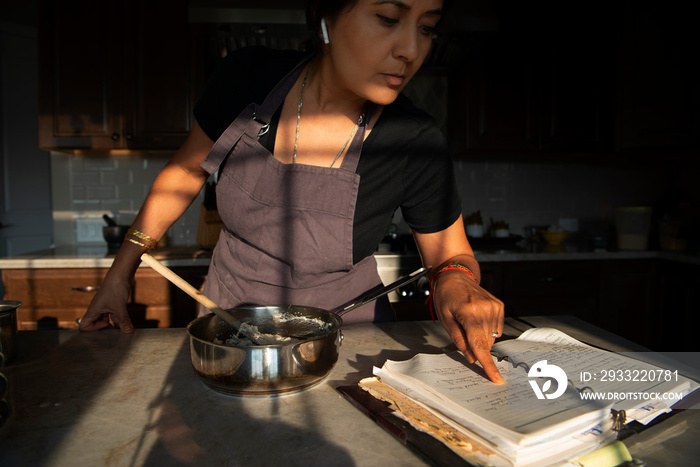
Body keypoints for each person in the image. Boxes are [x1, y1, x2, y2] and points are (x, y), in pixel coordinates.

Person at [79, 0, 505, 384]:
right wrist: (120, 274)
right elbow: (185, 172)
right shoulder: (248, 78)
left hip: (349, 347)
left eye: (427, 27)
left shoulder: (413, 139)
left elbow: (452, 254)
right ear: (324, 17)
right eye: (389, 18)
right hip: (231, 330)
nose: (411, 49)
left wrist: (456, 280)